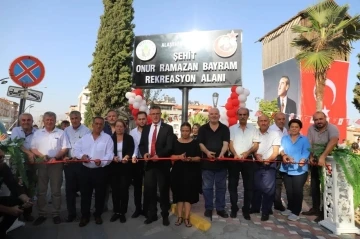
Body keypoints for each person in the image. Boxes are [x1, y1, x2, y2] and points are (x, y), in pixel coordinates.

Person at [30, 112, 70, 226]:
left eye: (51, 120)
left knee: (56, 190)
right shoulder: (37, 133)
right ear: (43, 120)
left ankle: (56, 214)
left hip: (56, 164)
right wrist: (42, 156)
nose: (49, 122)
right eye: (47, 119)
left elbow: (65, 148)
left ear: (55, 120)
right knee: (41, 191)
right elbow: (33, 148)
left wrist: (56, 157)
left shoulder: (61, 133)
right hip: (41, 163)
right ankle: (42, 213)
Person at [74, 117, 114, 227]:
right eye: (96, 123)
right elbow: (76, 149)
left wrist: (101, 162)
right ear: (92, 125)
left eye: (101, 124)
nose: (98, 126)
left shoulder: (107, 138)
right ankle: (85, 216)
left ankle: (98, 215)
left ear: (103, 125)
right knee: (85, 194)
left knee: (100, 194)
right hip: (85, 170)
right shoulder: (85, 138)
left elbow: (110, 154)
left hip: (100, 170)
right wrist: (81, 156)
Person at [139, 105, 174, 226]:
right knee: (150, 191)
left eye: (157, 113)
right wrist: (145, 153)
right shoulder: (146, 129)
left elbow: (169, 146)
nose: (155, 116)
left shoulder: (168, 128)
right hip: (149, 165)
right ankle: (152, 214)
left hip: (162, 165)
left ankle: (165, 215)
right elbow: (142, 145)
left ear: (160, 114)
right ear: (150, 115)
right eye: (153, 114)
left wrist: (158, 155)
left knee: (164, 191)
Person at [302, 111, 339, 222]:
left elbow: (333, 141)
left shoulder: (332, 128)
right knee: (314, 186)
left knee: (326, 187)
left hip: (328, 162)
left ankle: (325, 212)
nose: (318, 121)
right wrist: (312, 156)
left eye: (320, 119)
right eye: (316, 120)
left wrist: (323, 156)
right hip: (315, 161)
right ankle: (315, 208)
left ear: (325, 118)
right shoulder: (311, 128)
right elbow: (310, 144)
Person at [197, 107, 230, 220]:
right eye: (212, 114)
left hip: (221, 164)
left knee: (221, 188)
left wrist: (221, 154)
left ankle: (220, 208)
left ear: (219, 116)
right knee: (207, 188)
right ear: (209, 116)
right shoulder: (203, 129)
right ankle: (209, 208)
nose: (214, 116)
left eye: (216, 114)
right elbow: (200, 143)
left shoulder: (225, 128)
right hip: (207, 165)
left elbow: (226, 144)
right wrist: (206, 152)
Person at [228, 108, 259, 220]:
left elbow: (256, 145)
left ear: (248, 115)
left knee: (249, 186)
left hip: (248, 159)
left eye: (244, 114)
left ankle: (246, 209)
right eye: (240, 114)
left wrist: (247, 152)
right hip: (234, 159)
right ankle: (234, 207)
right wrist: (235, 154)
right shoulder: (231, 129)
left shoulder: (253, 129)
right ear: (237, 115)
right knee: (232, 185)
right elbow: (230, 144)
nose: (242, 116)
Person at [171, 122, 201, 227]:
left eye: (187, 131)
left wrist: (191, 159)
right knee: (179, 196)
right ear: (180, 131)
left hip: (191, 173)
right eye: (183, 130)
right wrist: (179, 157)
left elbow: (199, 158)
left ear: (191, 131)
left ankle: (187, 218)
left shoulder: (195, 143)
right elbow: (171, 157)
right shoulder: (175, 142)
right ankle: (179, 217)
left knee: (188, 196)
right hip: (177, 172)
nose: (185, 133)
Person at [279, 119, 310, 221]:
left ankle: (296, 212)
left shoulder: (304, 139)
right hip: (286, 168)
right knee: (289, 190)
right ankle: (290, 208)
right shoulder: (284, 138)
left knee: (297, 191)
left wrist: (302, 159)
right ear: (289, 128)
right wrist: (285, 155)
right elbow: (281, 149)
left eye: (296, 127)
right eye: (292, 126)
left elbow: (306, 152)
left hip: (299, 169)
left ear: (300, 129)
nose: (294, 128)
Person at [251, 115, 280, 221]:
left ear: (269, 122)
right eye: (261, 121)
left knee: (268, 189)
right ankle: (255, 208)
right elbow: (252, 148)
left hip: (270, 164)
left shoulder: (275, 134)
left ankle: (266, 211)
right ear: (258, 123)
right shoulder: (254, 132)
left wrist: (269, 159)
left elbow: (276, 151)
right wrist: (255, 155)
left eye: (265, 121)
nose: (263, 123)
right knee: (257, 187)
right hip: (256, 163)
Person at [63, 111, 91, 222]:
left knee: (84, 190)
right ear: (70, 119)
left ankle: (85, 214)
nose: (74, 120)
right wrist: (65, 156)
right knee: (69, 190)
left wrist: (79, 156)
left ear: (80, 118)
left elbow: (88, 147)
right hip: (69, 164)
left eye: (76, 118)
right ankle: (71, 214)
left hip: (82, 164)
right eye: (72, 118)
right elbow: (64, 146)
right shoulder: (65, 130)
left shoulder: (86, 131)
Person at [0, 149, 33, 238]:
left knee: (19, 201)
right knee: (11, 209)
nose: (2, 158)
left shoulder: (3, 167)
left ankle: (1, 231)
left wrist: (25, 198)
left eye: (3, 156)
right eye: (0, 157)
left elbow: (13, 185)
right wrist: (8, 210)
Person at [10, 113, 37, 221]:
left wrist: (32, 155)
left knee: (30, 188)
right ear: (20, 121)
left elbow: (38, 146)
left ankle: (27, 213)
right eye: (24, 120)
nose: (26, 122)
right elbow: (17, 144)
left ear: (32, 121)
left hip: (32, 164)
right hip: (18, 164)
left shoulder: (37, 132)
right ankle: (16, 212)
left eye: (28, 120)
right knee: (19, 188)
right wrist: (29, 153)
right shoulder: (16, 130)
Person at [109, 119, 135, 223]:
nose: (119, 128)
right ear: (114, 127)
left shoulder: (129, 138)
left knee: (124, 190)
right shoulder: (110, 139)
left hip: (125, 166)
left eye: (121, 126)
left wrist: (127, 156)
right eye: (117, 126)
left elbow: (131, 149)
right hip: (114, 166)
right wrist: (112, 157)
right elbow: (108, 151)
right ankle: (116, 212)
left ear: (125, 127)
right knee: (115, 191)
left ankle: (123, 212)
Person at [129, 111, 147, 218]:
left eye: (143, 119)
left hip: (148, 161)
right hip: (136, 162)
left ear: (146, 119)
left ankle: (146, 209)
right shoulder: (132, 133)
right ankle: (138, 208)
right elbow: (132, 147)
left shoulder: (150, 131)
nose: (141, 121)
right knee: (137, 187)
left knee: (149, 187)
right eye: (139, 119)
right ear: (136, 120)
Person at [269, 112, 288, 211]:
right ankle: (272, 203)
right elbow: (277, 146)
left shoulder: (285, 130)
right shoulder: (271, 129)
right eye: (279, 119)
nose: (281, 121)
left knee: (279, 181)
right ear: (275, 120)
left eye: (283, 119)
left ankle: (277, 202)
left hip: (283, 158)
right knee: (272, 182)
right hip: (273, 158)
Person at [103, 109, 118, 211]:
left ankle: (117, 208)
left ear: (117, 117)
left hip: (118, 162)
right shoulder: (103, 129)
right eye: (110, 116)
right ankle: (103, 206)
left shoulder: (122, 128)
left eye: (114, 116)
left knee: (117, 187)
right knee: (104, 187)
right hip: (105, 162)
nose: (112, 118)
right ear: (107, 118)